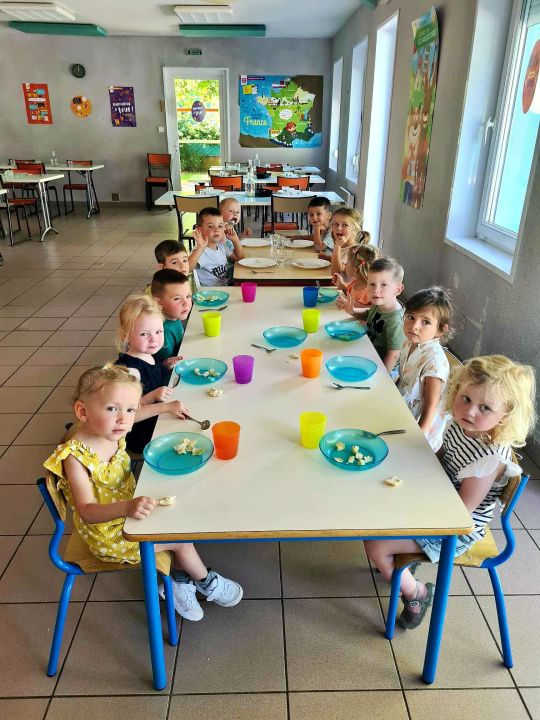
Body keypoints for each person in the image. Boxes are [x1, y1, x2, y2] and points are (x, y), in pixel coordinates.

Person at [43, 364, 243, 621]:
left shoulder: (108, 427)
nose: (124, 419)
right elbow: (87, 511)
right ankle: (206, 582)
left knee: (184, 507)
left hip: (130, 506)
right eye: (112, 409)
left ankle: (179, 581)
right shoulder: (76, 457)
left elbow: (135, 415)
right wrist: (126, 507)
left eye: (129, 409)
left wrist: (166, 407)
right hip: (109, 535)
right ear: (83, 411)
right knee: (182, 538)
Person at [365, 354, 536, 630]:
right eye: (465, 398)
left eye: (485, 408)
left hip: (456, 528)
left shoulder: (488, 458)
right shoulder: (462, 424)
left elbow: (459, 514)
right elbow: (444, 457)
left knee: (375, 544)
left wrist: (413, 505)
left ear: (505, 416)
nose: (470, 411)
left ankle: (417, 594)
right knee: (374, 511)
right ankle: (399, 564)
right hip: (440, 500)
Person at [114, 294, 187, 454]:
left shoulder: (148, 353)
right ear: (126, 336)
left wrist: (165, 366)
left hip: (160, 415)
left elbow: (153, 374)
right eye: (144, 334)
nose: (154, 339)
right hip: (143, 433)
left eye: (159, 331)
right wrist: (154, 398)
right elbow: (127, 414)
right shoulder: (130, 372)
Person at [397, 287, 453, 451]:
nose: (414, 326)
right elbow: (404, 376)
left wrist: (419, 437)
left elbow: (431, 405)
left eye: (425, 322)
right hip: (403, 412)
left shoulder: (434, 361)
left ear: (440, 329)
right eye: (410, 317)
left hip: (420, 428)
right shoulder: (409, 342)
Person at [352, 257, 405, 372]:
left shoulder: (395, 320)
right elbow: (368, 314)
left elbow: (394, 354)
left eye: (383, 285)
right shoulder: (379, 302)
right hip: (370, 354)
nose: (376, 290)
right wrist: (352, 311)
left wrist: (383, 376)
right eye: (372, 284)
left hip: (385, 368)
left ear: (398, 289)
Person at [188, 207, 245, 286]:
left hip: (225, 286)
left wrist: (235, 239)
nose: (216, 230)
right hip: (212, 291)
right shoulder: (201, 251)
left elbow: (239, 257)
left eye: (220, 226)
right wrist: (200, 247)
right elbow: (187, 268)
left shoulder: (221, 246)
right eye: (210, 226)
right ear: (199, 230)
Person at [151, 268, 192, 366]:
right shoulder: (162, 331)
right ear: (158, 303)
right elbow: (164, 368)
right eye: (177, 299)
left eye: (188, 296)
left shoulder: (174, 316)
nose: (186, 303)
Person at [334, 244, 380, 314]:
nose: (345, 264)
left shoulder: (372, 290)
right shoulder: (354, 282)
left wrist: (354, 305)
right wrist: (343, 286)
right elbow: (350, 295)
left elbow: (376, 310)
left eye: (347, 262)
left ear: (354, 270)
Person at [329, 207, 370, 277]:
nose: (339, 228)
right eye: (336, 224)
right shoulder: (342, 245)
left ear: (355, 230)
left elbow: (336, 272)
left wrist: (337, 247)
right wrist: (329, 257)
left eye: (345, 225)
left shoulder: (354, 251)